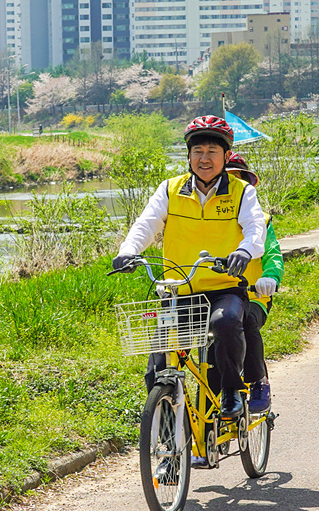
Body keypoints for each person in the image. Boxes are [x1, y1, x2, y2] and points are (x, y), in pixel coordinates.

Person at [112, 116, 265, 419]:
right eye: (198, 151)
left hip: (224, 289)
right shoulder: (170, 189)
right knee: (158, 366)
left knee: (225, 323)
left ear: (226, 156)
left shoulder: (242, 192)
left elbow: (255, 229)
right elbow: (146, 224)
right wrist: (128, 251)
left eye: (212, 152)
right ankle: (169, 427)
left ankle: (232, 390)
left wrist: (245, 251)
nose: (204, 159)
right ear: (188, 156)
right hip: (179, 291)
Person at [222, 152, 281, 414]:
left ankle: (258, 381)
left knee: (246, 321)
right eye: (228, 178)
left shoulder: (262, 220)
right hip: (214, 292)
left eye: (239, 179)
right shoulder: (205, 216)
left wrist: (270, 277)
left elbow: (273, 255)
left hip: (254, 295)